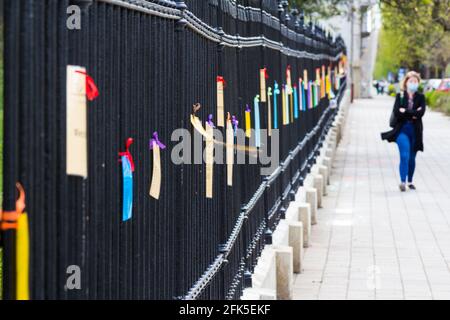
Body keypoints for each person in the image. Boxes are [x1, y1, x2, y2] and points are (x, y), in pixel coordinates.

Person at [381, 71, 426, 192]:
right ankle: (402, 181)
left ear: (418, 83)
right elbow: (397, 112)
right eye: (411, 81)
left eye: (415, 81)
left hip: (415, 131)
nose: (413, 83)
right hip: (402, 130)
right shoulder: (400, 96)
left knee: (412, 158)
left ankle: (410, 181)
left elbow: (421, 113)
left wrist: (405, 111)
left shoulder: (421, 97)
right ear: (406, 83)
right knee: (404, 155)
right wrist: (413, 113)